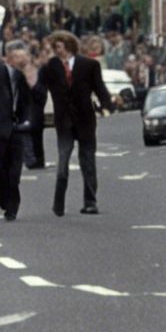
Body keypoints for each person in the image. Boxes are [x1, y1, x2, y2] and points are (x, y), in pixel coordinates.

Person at [39, 32, 112, 216]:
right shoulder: (49, 68)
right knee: (62, 163)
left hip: (85, 120)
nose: (56, 51)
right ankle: (59, 204)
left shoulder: (89, 65)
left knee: (87, 162)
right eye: (54, 47)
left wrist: (107, 105)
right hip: (63, 122)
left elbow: (100, 88)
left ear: (68, 47)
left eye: (59, 47)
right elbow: (39, 90)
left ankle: (90, 203)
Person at [0, 40, 40, 221]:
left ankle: (13, 206)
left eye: (24, 57)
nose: (22, 60)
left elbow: (36, 96)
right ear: (10, 57)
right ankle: (4, 198)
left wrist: (31, 78)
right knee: (2, 166)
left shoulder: (25, 76)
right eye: (18, 57)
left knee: (15, 169)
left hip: (18, 126)